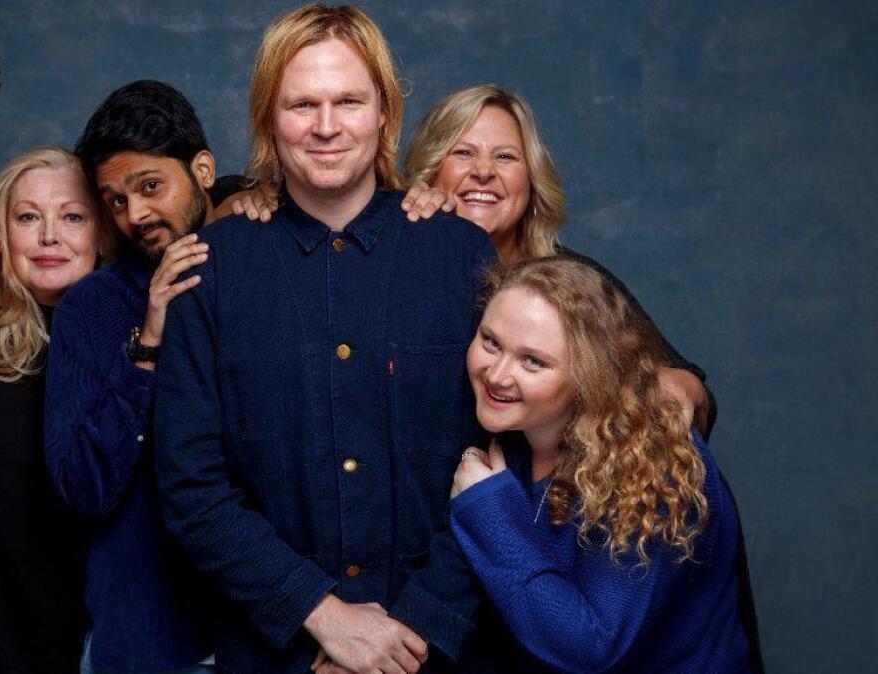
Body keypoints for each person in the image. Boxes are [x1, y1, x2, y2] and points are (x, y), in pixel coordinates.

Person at [153, 6, 498, 673]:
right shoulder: (212, 268)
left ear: (384, 113)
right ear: (267, 119)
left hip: (440, 654)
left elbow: (504, 458)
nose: (327, 126)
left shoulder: (461, 254)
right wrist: (326, 618)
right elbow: (191, 487)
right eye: (301, 104)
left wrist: (410, 632)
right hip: (275, 654)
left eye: (349, 101)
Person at [448, 256, 750, 672]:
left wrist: (489, 512)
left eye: (533, 361)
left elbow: (591, 646)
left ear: (590, 375)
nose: (497, 375)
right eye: (491, 342)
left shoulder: (648, 461)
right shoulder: (515, 437)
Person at [43, 80, 238, 674]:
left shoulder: (265, 269)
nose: (136, 215)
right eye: (115, 201)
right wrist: (148, 343)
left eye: (150, 186)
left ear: (203, 170)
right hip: (147, 645)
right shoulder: (93, 308)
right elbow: (82, 486)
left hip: (267, 640)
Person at [401, 85, 716, 435]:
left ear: (532, 180)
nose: (484, 171)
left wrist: (681, 386)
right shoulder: (399, 268)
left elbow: (690, 388)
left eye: (505, 157)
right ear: (430, 170)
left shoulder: (574, 280)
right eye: (463, 152)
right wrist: (406, 224)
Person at [0, 146, 103, 673]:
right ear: (1, 232)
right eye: (28, 217)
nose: (50, 236)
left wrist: (243, 194)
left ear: (103, 230)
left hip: (107, 640)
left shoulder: (143, 337)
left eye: (73, 216)